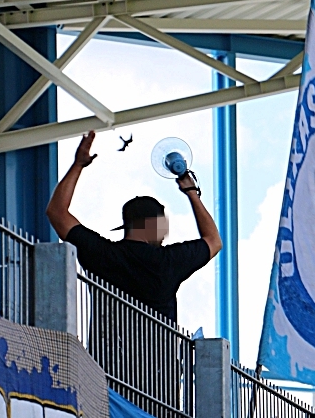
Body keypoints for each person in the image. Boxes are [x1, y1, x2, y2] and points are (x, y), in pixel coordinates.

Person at [46, 131, 222, 323]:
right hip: (159, 353)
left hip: (105, 352)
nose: (164, 235)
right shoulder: (168, 262)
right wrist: (191, 193)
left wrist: (78, 165)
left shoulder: (102, 254)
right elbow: (214, 241)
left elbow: (57, 212)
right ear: (153, 224)